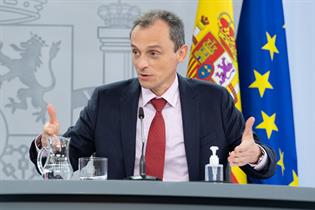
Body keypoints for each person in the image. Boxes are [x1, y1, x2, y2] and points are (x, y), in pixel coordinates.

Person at [29, 10, 276, 181]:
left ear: (180, 53)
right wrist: (49, 145)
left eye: (153, 53)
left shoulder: (214, 100)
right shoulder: (107, 101)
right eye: (136, 52)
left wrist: (255, 155)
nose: (141, 63)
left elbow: (261, 164)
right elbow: (69, 156)